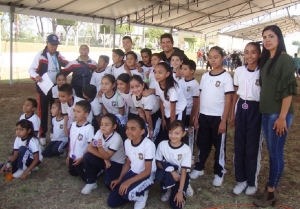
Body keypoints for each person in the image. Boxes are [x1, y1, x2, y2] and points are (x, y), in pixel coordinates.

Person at [253, 25, 297, 207]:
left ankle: (271, 192)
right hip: (266, 112)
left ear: (279, 38)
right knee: (272, 153)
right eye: (264, 37)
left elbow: (288, 91)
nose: (267, 40)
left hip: (278, 115)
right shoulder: (267, 59)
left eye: (271, 36)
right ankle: (271, 187)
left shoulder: (284, 59)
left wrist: (282, 116)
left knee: (276, 153)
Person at [190, 46, 234, 187]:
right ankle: (199, 167)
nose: (213, 60)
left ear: (222, 58)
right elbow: (201, 97)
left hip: (217, 118)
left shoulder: (226, 77)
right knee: (202, 143)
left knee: (219, 146)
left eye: (216, 57)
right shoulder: (205, 76)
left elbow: (229, 100)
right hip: (204, 116)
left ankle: (219, 171)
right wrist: (196, 115)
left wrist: (223, 121)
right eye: (211, 57)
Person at [230, 42, 263, 196]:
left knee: (252, 146)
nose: (249, 56)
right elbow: (235, 94)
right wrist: (232, 114)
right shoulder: (239, 71)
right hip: (241, 107)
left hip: (255, 108)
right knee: (239, 144)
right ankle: (241, 179)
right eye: (247, 52)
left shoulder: (262, 72)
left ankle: (251, 182)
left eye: (253, 52)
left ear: (259, 54)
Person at [107, 116, 156, 209]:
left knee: (127, 193)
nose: (128, 132)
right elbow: (128, 163)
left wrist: (128, 182)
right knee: (112, 201)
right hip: (133, 172)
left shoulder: (148, 145)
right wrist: (120, 179)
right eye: (127, 128)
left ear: (142, 131)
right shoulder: (127, 142)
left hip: (147, 175)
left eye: (133, 129)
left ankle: (141, 195)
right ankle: (133, 191)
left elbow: (147, 171)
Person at [28, 34, 68, 146]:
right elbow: (31, 69)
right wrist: (36, 76)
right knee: (43, 111)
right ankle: (42, 134)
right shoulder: (40, 56)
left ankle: (53, 132)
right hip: (44, 87)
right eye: (52, 44)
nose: (54, 47)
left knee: (56, 110)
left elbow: (68, 64)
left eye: (56, 45)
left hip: (56, 87)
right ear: (47, 43)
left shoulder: (58, 55)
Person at [82, 113, 125, 194]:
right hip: (105, 158)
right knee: (87, 156)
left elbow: (107, 155)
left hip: (116, 163)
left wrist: (100, 149)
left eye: (106, 124)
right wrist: (105, 159)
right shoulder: (99, 132)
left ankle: (117, 173)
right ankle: (91, 182)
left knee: (109, 184)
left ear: (114, 127)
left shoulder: (117, 138)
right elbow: (90, 148)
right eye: (101, 124)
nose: (103, 126)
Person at [155, 120, 191, 209]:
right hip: (169, 173)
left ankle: (185, 185)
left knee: (176, 206)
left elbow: (183, 171)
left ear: (183, 134)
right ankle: (168, 189)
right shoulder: (162, 144)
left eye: (177, 133)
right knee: (159, 175)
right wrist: (171, 171)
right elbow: (158, 162)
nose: (173, 136)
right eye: (171, 132)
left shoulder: (186, 149)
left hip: (180, 176)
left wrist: (180, 191)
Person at [154, 62, 187, 145]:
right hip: (168, 110)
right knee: (164, 134)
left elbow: (173, 109)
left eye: (160, 72)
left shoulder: (173, 89)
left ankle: (178, 149)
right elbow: (161, 100)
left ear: (167, 74)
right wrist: (163, 119)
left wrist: (172, 127)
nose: (156, 75)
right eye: (155, 72)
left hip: (178, 111)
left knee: (175, 132)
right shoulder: (157, 84)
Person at [66, 100, 94, 181]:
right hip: (73, 156)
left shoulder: (89, 128)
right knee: (72, 173)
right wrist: (69, 155)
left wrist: (82, 158)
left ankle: (97, 170)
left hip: (82, 158)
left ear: (86, 114)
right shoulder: (73, 125)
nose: (75, 113)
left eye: (78, 111)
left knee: (85, 178)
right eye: (74, 110)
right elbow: (71, 141)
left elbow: (90, 146)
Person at [129, 75, 161, 143]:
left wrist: (150, 130)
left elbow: (148, 116)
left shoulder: (147, 98)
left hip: (156, 116)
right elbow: (141, 112)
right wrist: (143, 125)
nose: (135, 90)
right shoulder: (134, 96)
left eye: (137, 86)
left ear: (143, 85)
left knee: (152, 137)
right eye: (132, 87)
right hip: (147, 116)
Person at [99, 74, 126, 140]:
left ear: (113, 85)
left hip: (119, 121)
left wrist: (113, 122)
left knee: (120, 137)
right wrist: (106, 119)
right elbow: (104, 108)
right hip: (109, 120)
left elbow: (121, 113)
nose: (103, 86)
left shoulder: (118, 97)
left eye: (106, 84)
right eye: (102, 84)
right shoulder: (102, 96)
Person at [179, 60, 199, 128]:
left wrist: (192, 117)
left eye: (185, 69)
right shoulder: (180, 81)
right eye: (181, 68)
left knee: (188, 133)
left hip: (188, 113)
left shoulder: (194, 84)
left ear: (192, 71)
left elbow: (195, 102)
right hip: (180, 112)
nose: (182, 71)